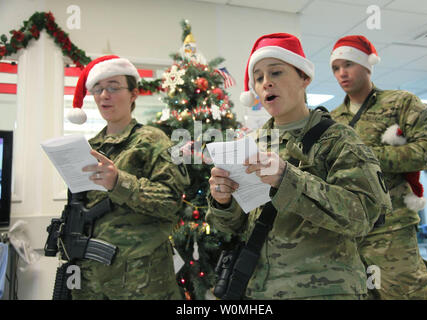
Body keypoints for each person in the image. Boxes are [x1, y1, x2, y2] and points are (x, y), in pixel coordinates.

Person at [206, 33, 391, 300]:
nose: (266, 82)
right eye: (258, 77)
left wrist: (286, 178)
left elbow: (364, 217)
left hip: (326, 291)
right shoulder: (250, 145)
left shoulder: (340, 140)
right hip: (259, 292)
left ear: (304, 77)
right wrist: (223, 201)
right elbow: (232, 228)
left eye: (276, 72)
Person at [66, 55, 190, 299]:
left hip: (142, 281)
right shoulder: (89, 148)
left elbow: (171, 203)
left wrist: (118, 182)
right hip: (91, 279)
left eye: (113, 87)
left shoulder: (154, 140)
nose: (104, 95)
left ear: (134, 94)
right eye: (98, 89)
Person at [329, 35, 427, 300]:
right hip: (350, 231)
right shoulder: (332, 120)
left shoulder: (400, 103)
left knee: (406, 293)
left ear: (367, 65)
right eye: (336, 68)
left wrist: (368, 156)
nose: (342, 73)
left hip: (393, 227)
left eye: (348, 64)